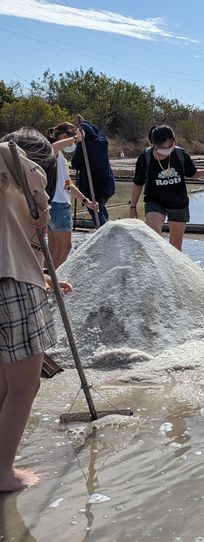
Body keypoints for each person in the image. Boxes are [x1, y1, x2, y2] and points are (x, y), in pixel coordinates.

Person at [0, 131, 72, 492]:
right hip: (13, 288)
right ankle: (2, 471)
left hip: (15, 279)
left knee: (4, 383)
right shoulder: (11, 174)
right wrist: (43, 202)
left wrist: (45, 276)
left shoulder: (8, 190)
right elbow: (10, 156)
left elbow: (10, 241)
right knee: (25, 387)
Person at [129, 125, 204, 251]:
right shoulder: (145, 158)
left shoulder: (180, 154)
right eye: (164, 147)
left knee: (176, 248)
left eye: (170, 145)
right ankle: (157, 266)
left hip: (178, 202)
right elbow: (138, 183)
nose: (168, 149)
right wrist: (133, 206)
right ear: (155, 144)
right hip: (155, 201)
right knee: (155, 238)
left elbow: (192, 173)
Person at [45, 122, 99, 267]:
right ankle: (55, 280)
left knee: (53, 248)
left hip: (57, 204)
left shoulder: (61, 158)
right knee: (65, 247)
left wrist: (85, 201)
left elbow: (68, 183)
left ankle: (48, 278)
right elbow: (53, 147)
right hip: (58, 204)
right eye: (71, 138)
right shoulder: (53, 153)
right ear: (64, 136)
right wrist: (76, 138)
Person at [70, 119, 115, 226]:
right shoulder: (102, 140)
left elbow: (75, 164)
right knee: (101, 206)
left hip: (93, 186)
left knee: (95, 209)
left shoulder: (83, 146)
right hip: (107, 184)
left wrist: (79, 143)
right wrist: (84, 122)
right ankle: (108, 226)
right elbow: (98, 131)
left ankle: (103, 231)